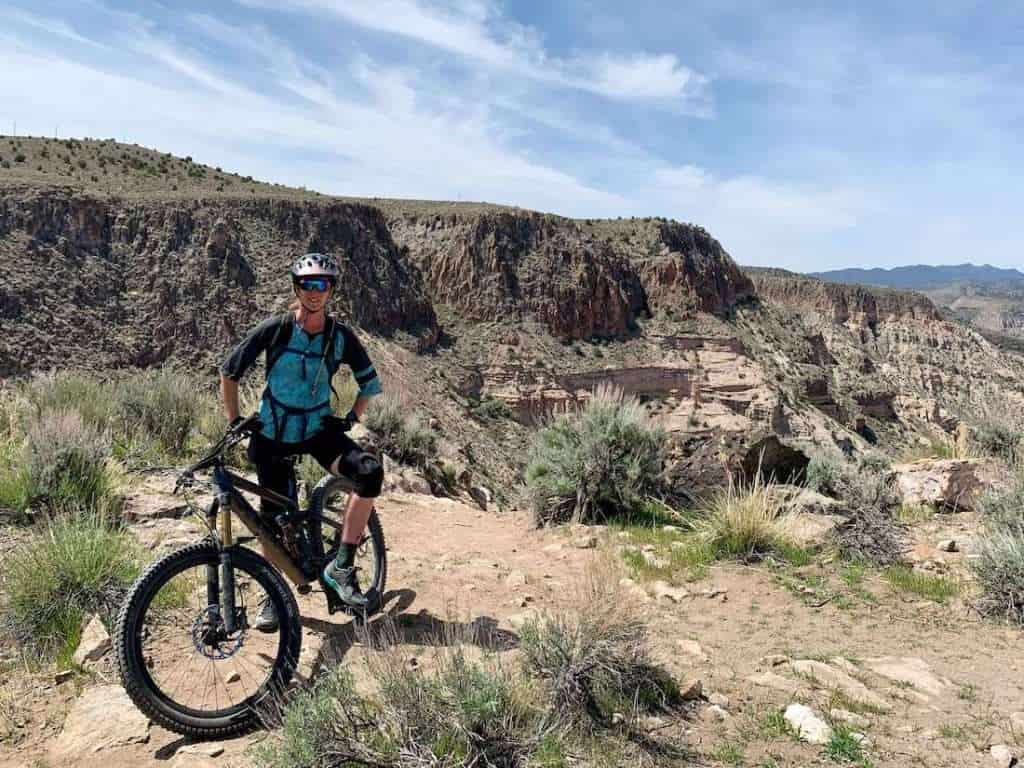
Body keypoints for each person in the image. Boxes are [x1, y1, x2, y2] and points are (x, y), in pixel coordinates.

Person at [220, 252, 384, 630]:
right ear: (297, 288)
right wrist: (234, 422)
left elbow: (370, 384)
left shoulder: (338, 337)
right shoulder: (276, 329)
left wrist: (353, 417)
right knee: (271, 524)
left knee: (369, 473)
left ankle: (341, 567)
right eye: (308, 285)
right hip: (273, 434)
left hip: (316, 431)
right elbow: (230, 372)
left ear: (330, 291)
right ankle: (273, 596)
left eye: (322, 285)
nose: (315, 292)